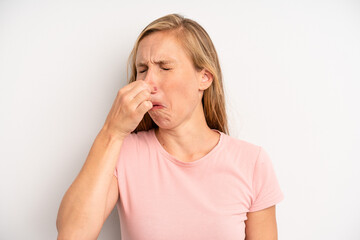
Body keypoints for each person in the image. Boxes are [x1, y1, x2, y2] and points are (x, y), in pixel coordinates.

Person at [56, 13, 284, 240]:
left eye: (165, 67)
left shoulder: (252, 162)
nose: (147, 83)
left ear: (204, 78)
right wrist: (112, 131)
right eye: (142, 69)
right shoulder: (122, 152)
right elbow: (72, 234)